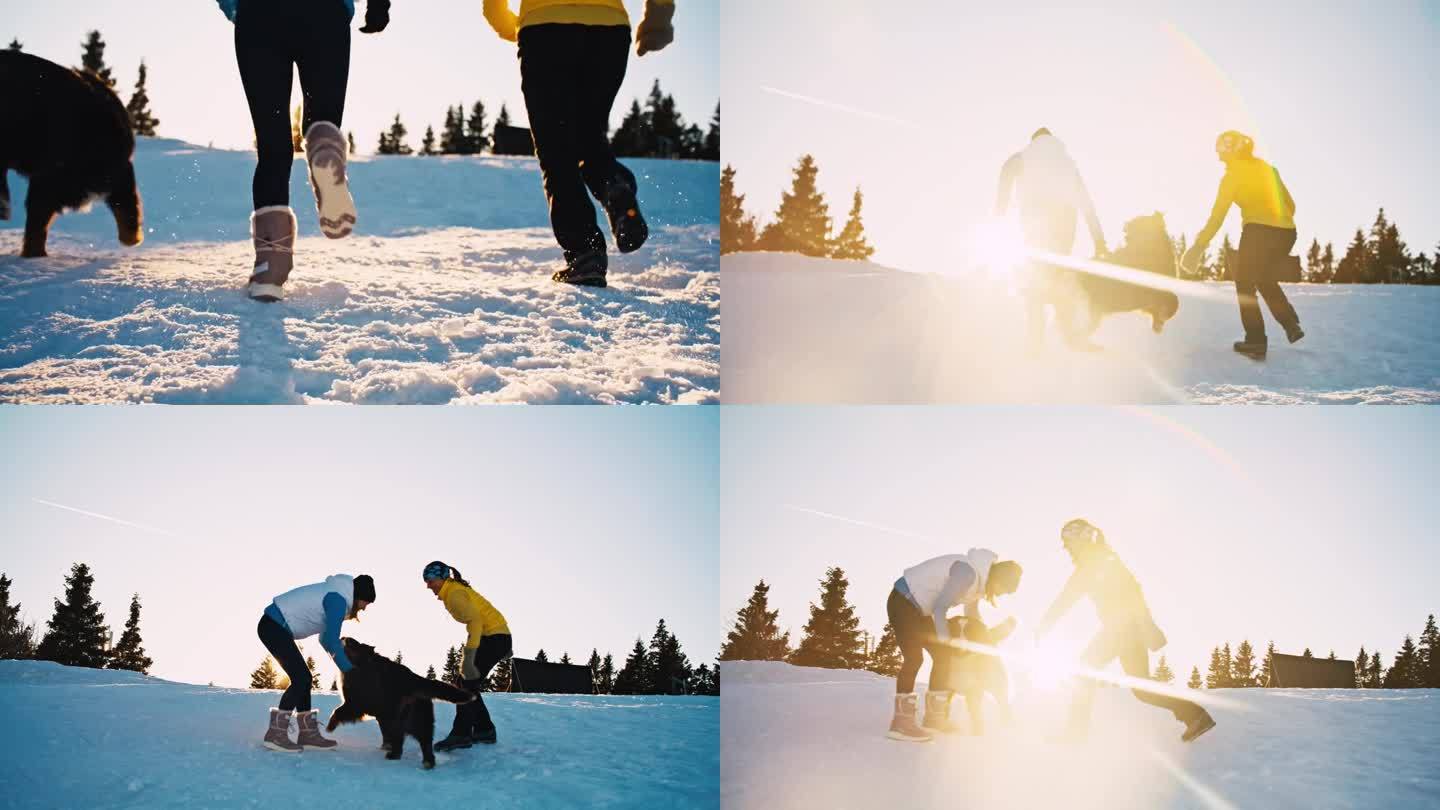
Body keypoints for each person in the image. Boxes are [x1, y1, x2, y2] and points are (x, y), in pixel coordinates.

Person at [480, 0, 676, 287]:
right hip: (608, 30)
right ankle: (616, 189)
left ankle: (585, 253)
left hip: (545, 26)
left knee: (556, 148)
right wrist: (658, 19)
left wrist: (507, 23)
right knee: (588, 135)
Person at [212, 0, 391, 301]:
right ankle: (324, 157)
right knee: (322, 123)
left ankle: (270, 268)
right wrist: (378, 6)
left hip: (259, 17)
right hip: (325, 14)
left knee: (273, 147)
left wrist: (235, 9)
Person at [1036, 519, 1215, 743]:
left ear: (1081, 540)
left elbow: (1069, 599)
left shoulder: (1097, 563)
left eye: (1070, 543)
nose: (1069, 550)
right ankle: (1196, 716)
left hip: (1121, 629)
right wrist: (1146, 625)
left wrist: (1045, 625)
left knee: (1084, 670)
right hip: (1126, 630)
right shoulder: (1103, 561)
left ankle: (1075, 735)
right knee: (1141, 689)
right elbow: (1130, 592)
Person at [1181, 131, 1303, 360]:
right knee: (1263, 276)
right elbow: (1291, 205)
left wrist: (1197, 247)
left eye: (1221, 152)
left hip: (1257, 231)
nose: (1219, 158)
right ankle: (1290, 323)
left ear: (1230, 150)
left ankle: (1256, 341)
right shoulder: (1269, 169)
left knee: (1245, 282)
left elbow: (1216, 218)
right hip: (1287, 232)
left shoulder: (1232, 177)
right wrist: (1278, 220)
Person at [885, 549, 1023, 742]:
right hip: (903, 601)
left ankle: (935, 718)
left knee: (943, 657)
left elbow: (973, 616)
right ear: (998, 578)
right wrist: (945, 639)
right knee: (914, 658)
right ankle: (901, 723)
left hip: (920, 610)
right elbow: (940, 607)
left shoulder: (977, 587)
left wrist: (985, 640)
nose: (999, 594)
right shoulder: (967, 573)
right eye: (1003, 589)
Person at [995, 127, 1109, 351]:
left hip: (1035, 225)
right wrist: (1099, 241)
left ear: (1034, 140)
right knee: (1059, 278)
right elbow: (1087, 205)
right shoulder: (1068, 164)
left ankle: (1036, 342)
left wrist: (999, 214)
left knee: (1035, 279)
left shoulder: (1024, 156)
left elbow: (1006, 173)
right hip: (1065, 227)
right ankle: (1072, 337)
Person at [257, 573, 376, 751]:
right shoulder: (338, 600)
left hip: (274, 627)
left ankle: (306, 734)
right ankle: (276, 734)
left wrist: (346, 668)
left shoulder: (337, 595)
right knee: (301, 678)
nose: (365, 608)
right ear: (359, 596)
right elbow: (330, 639)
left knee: (304, 678)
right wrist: (349, 671)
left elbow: (325, 639)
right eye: (366, 602)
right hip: (273, 626)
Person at [423, 561, 514, 750]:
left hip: (494, 638)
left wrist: (470, 656)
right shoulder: (453, 591)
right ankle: (484, 729)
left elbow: (475, 621)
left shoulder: (455, 594)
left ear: (442, 578)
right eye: (426, 580)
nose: (428, 585)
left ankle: (461, 734)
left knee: (465, 685)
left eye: (430, 580)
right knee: (464, 683)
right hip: (495, 637)